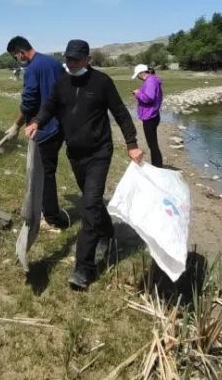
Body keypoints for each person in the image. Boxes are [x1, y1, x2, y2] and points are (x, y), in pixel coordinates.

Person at [25, 39, 143, 290]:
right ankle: (107, 233)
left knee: (89, 204)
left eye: (76, 59)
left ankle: (83, 268)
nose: (71, 63)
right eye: (68, 58)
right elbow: (50, 107)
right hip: (75, 154)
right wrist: (37, 121)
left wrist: (132, 144)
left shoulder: (102, 82)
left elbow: (121, 113)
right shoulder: (62, 82)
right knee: (93, 201)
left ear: (88, 59)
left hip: (100, 152)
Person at [6, 36, 71, 231]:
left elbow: (28, 103)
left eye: (15, 57)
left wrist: (16, 125)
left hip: (45, 128)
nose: (17, 61)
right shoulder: (53, 62)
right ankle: (49, 212)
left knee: (44, 174)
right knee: (48, 170)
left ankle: (51, 218)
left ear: (20, 52)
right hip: (60, 125)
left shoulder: (32, 69)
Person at [132, 63, 164, 168]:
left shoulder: (150, 81)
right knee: (153, 144)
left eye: (137, 75)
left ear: (142, 73)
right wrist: (140, 92)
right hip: (152, 115)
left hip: (150, 116)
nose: (138, 77)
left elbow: (149, 98)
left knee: (152, 145)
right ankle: (157, 165)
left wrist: (137, 94)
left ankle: (157, 166)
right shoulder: (152, 80)